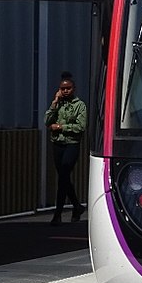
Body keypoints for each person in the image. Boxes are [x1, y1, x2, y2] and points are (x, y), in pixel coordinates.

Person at [44, 71, 87, 224]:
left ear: (73, 88)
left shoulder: (80, 105)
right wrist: (55, 103)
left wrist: (62, 126)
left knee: (64, 172)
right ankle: (76, 206)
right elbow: (47, 120)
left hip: (71, 143)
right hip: (57, 143)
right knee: (63, 176)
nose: (65, 91)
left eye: (68, 88)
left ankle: (58, 213)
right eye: (62, 89)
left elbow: (80, 127)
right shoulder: (58, 104)